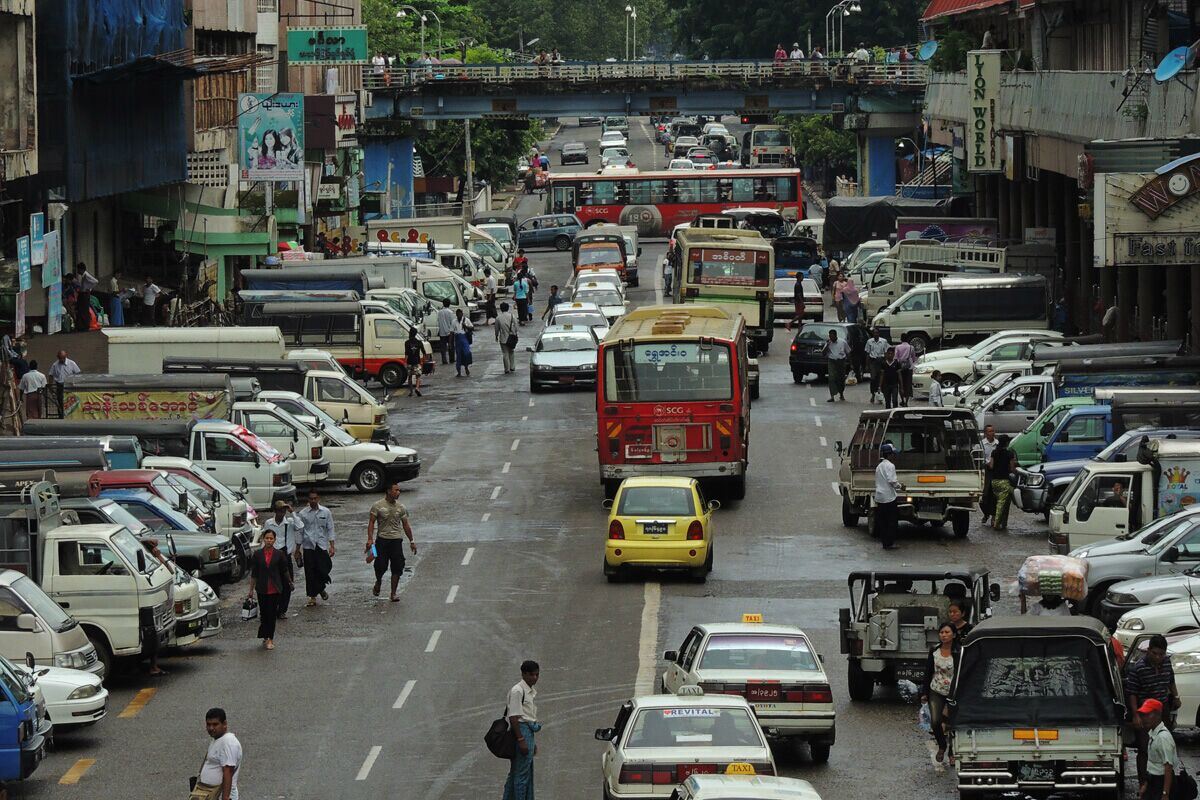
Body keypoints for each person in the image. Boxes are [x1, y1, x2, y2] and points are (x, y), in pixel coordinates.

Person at [365, 482, 417, 602]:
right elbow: (371, 523)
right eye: (396, 490)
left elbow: (406, 525)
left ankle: (393, 593)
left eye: (399, 490)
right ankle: (378, 582)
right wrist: (370, 538)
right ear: (389, 491)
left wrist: (412, 541)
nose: (398, 492)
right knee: (380, 566)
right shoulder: (377, 506)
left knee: (398, 567)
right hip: (382, 541)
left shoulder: (401, 507)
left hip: (396, 541)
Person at [247, 528, 293, 650]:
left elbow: (284, 570)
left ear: (274, 540)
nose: (269, 540)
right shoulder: (257, 554)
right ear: (263, 539)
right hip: (262, 589)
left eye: (271, 538)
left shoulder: (279, 554)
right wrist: (251, 590)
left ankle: (270, 638)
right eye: (267, 538)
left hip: (274, 589)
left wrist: (289, 582)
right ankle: (265, 635)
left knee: (272, 614)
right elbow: (254, 574)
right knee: (264, 614)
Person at [920, 623, 958, 763]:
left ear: (953, 634)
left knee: (954, 724)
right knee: (935, 722)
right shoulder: (934, 650)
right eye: (941, 632)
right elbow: (928, 672)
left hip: (954, 693)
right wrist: (924, 692)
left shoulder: (959, 652)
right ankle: (942, 746)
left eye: (947, 632)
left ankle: (952, 752)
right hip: (936, 690)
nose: (944, 635)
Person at [504, 660, 542, 800]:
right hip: (521, 731)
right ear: (524, 674)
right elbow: (514, 717)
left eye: (537, 675)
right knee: (521, 776)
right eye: (532, 675)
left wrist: (532, 743)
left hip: (527, 732)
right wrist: (521, 740)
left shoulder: (528, 691)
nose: (535, 678)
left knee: (517, 772)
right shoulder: (518, 691)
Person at [260, 501, 302, 619]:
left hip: (285, 557)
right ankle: (273, 608)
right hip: (273, 557)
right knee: (273, 584)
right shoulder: (269, 523)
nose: (281, 513)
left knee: (287, 584)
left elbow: (300, 526)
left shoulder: (289, 522)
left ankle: (282, 610)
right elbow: (265, 539)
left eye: (283, 511)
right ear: (275, 511)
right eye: (279, 511)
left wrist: (292, 511)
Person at [296, 489, 335, 607]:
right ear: (308, 500)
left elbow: (330, 528)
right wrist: (298, 549)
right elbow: (300, 531)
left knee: (324, 568)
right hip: (308, 546)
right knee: (310, 572)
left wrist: (332, 545)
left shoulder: (326, 512)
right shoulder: (303, 514)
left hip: (321, 545)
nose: (313, 501)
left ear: (318, 499)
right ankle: (313, 596)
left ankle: (320, 587)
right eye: (311, 499)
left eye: (315, 498)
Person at [1139, 698, 1178, 800]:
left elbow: (1168, 767)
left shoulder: (1163, 738)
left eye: (1148, 714)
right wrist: (1146, 785)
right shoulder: (1153, 734)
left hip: (1161, 783)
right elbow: (1153, 764)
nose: (1144, 718)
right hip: (1153, 781)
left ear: (1157, 714)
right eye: (1143, 715)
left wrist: (1165, 794)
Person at [199, 708, 242, 800]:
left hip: (220, 795)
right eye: (208, 724)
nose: (211, 728)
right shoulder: (217, 739)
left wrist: (225, 797)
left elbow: (228, 771)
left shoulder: (229, 742)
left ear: (225, 724)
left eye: (215, 724)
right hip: (209, 793)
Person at [875, 442, 904, 549]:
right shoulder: (890, 466)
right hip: (889, 497)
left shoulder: (879, 466)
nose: (894, 456)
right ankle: (890, 543)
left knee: (883, 522)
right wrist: (900, 486)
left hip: (880, 497)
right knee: (891, 521)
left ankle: (885, 542)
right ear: (890, 454)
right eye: (893, 454)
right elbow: (892, 481)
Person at [987, 434, 1016, 530]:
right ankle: (997, 523)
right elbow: (1012, 469)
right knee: (1001, 503)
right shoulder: (1009, 454)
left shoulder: (994, 452)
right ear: (1007, 443)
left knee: (994, 501)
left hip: (994, 481)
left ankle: (993, 519)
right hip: (1004, 481)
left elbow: (991, 466)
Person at [823, 328, 850, 402]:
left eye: (832, 336)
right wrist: (827, 345)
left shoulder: (843, 342)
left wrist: (850, 363)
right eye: (830, 336)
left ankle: (841, 393)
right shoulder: (828, 343)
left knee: (841, 378)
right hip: (832, 361)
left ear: (835, 336)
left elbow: (848, 352)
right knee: (831, 378)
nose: (831, 338)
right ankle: (832, 396)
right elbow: (823, 353)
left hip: (841, 362)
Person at [864, 330, 889, 403]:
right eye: (874, 333)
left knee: (881, 379)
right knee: (873, 379)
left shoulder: (884, 341)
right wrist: (866, 365)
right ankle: (873, 394)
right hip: (873, 361)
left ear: (879, 333)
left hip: (881, 361)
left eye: (877, 333)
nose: (876, 334)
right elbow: (867, 354)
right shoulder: (869, 342)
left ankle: (880, 395)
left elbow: (886, 352)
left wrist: (886, 363)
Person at [496, 302, 519, 375]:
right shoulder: (512, 316)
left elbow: (497, 329)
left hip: (503, 338)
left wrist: (496, 336)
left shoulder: (498, 318)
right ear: (508, 308)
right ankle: (512, 366)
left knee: (505, 353)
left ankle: (507, 369)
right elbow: (516, 326)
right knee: (511, 352)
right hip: (511, 337)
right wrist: (514, 333)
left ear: (501, 309)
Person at [74, 263, 98, 333]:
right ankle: (81, 325)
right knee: (81, 310)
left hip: (85, 294)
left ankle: (85, 325)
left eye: (78, 269)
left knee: (84, 310)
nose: (77, 271)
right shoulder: (83, 276)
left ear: (81, 269)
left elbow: (95, 281)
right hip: (82, 293)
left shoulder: (86, 275)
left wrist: (89, 288)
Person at [894, 334, 916, 406]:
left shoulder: (897, 347)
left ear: (901, 339)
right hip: (909, 368)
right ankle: (906, 401)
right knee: (908, 384)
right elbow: (913, 358)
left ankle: (902, 400)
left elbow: (896, 358)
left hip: (900, 368)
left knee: (901, 384)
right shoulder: (911, 347)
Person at [453, 308, 474, 377]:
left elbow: (472, 328)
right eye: (457, 314)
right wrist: (450, 343)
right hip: (457, 339)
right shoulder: (454, 321)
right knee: (458, 355)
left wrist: (466, 326)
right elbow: (451, 332)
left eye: (460, 314)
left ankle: (466, 367)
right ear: (456, 315)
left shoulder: (466, 320)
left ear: (462, 314)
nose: (459, 315)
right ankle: (459, 371)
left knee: (466, 353)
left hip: (464, 338)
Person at [405, 327, 424, 397]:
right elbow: (424, 352)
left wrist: (405, 362)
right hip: (417, 361)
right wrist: (423, 361)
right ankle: (417, 388)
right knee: (418, 376)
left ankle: (411, 391)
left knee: (409, 377)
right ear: (416, 334)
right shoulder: (419, 342)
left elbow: (406, 353)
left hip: (409, 361)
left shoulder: (407, 343)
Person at [436, 298, 456, 365]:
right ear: (449, 304)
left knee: (443, 348)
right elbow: (452, 323)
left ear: (443, 304)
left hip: (442, 332)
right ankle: (452, 359)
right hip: (449, 332)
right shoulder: (450, 312)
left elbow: (438, 321)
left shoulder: (439, 312)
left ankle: (444, 360)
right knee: (451, 346)